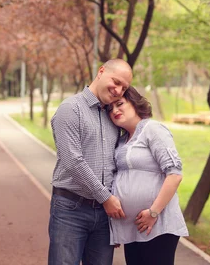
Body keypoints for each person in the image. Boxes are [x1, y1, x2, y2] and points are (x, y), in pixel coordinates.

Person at [48, 58, 133, 265]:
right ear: (101, 71)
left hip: (104, 216)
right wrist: (106, 198)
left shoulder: (113, 116)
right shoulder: (71, 109)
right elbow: (72, 161)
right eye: (116, 81)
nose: (118, 90)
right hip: (70, 209)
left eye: (124, 87)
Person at [108, 86, 188, 265]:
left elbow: (175, 174)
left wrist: (153, 212)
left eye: (119, 104)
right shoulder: (122, 140)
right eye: (110, 108)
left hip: (158, 224)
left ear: (135, 103)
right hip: (133, 227)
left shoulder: (153, 129)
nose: (114, 110)